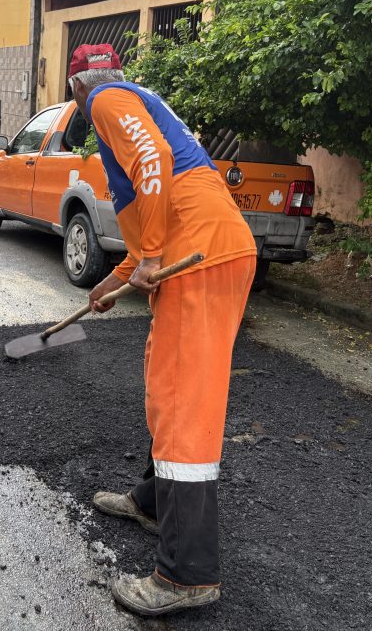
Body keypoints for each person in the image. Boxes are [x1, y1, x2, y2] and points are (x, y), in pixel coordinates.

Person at [67, 44, 256, 617]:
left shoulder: (106, 100)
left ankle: (186, 575)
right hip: (205, 251)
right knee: (164, 385)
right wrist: (114, 282)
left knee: (183, 403)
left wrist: (150, 255)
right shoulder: (136, 101)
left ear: (78, 86)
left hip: (198, 259)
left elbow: (154, 161)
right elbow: (156, 204)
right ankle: (151, 501)